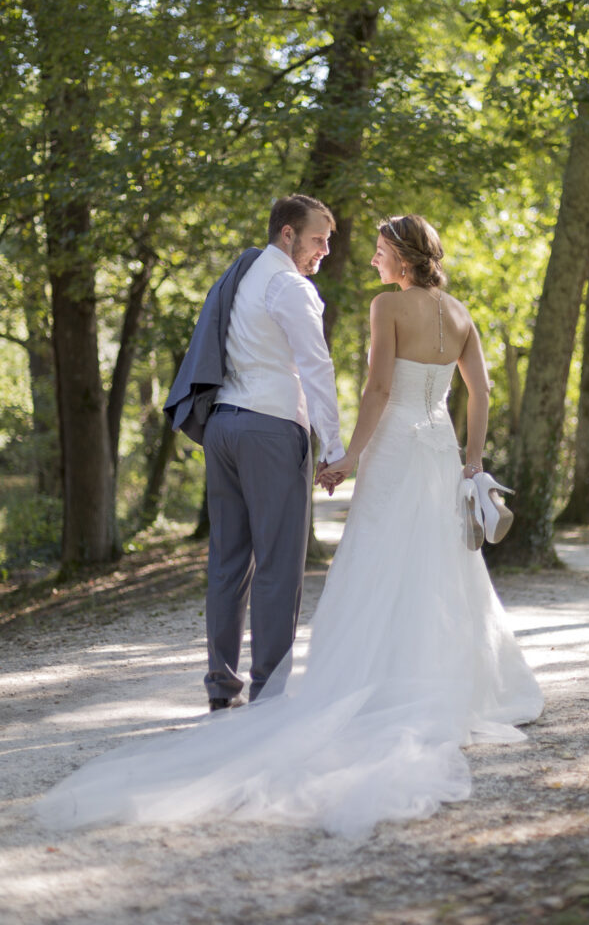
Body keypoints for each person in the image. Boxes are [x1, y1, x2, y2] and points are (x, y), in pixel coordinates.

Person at [36, 214, 543, 837]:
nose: (372, 261)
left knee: (381, 556)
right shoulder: (460, 313)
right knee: (439, 563)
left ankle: (357, 682)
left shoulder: (389, 308)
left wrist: (349, 455)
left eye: (381, 252)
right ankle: (450, 683)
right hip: (440, 449)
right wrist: (473, 460)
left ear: (405, 261)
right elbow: (483, 391)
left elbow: (380, 388)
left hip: (392, 448)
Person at [165, 194, 345, 710]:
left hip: (222, 426)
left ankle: (221, 688)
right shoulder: (290, 286)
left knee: (227, 562)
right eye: (317, 239)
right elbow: (316, 367)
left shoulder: (242, 274)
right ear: (287, 234)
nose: (324, 251)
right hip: (269, 429)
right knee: (278, 565)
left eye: (328, 241)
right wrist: (332, 446)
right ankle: (271, 691)